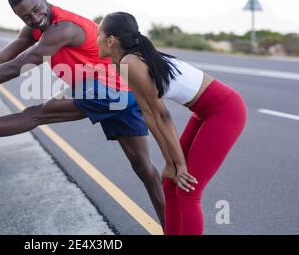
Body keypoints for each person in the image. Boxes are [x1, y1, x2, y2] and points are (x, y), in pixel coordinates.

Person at [0, 0, 166, 228]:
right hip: (123, 92)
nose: (35, 18)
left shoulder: (63, 29)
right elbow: (1, 58)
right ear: (18, 16)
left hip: (109, 89)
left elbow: (14, 67)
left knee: (36, 115)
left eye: (37, 9)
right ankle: (173, 228)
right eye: (26, 16)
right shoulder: (34, 28)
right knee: (143, 168)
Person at [96, 12, 246, 235]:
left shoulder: (131, 62)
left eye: (98, 33)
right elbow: (150, 116)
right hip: (203, 112)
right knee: (170, 183)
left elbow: (162, 117)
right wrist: (171, 163)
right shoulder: (125, 63)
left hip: (224, 110)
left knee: (187, 190)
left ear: (111, 40)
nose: (95, 38)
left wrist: (179, 165)